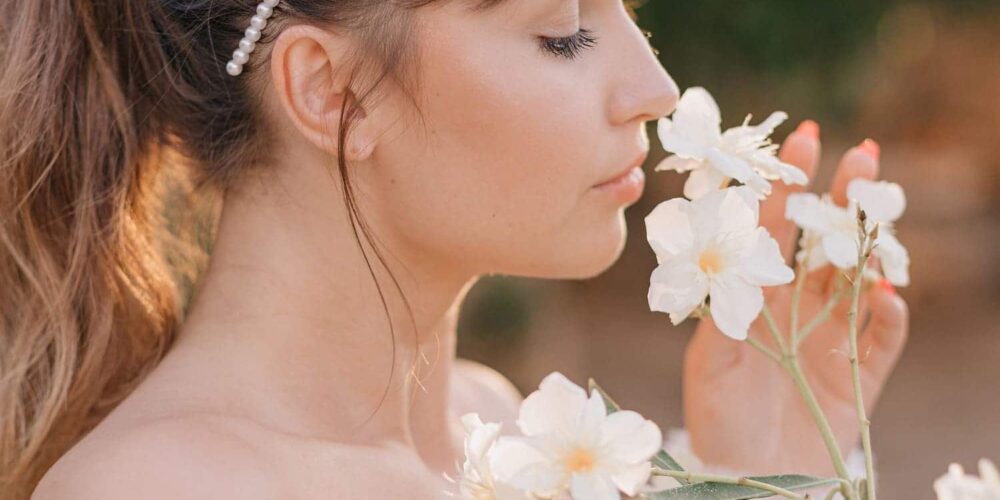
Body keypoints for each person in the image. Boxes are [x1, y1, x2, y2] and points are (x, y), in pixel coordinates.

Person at [0, 0, 908, 498]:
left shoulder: (513, 431)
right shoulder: (166, 492)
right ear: (331, 91)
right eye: (566, 34)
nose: (656, 87)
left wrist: (767, 470)